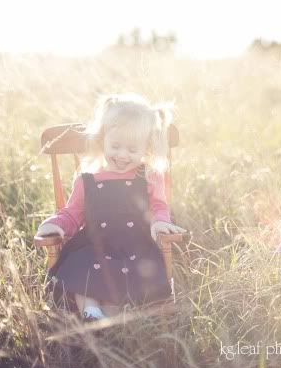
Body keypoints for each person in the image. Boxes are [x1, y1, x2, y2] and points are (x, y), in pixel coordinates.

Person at [35, 93, 186, 320]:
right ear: (102, 140)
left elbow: (158, 206)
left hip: (135, 246)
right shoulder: (87, 180)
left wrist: (161, 222)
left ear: (145, 149)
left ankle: (112, 316)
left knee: (124, 281)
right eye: (115, 146)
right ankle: (91, 311)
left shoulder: (148, 176)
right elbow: (72, 214)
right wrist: (55, 225)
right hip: (96, 244)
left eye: (132, 150)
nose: (122, 155)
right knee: (84, 271)